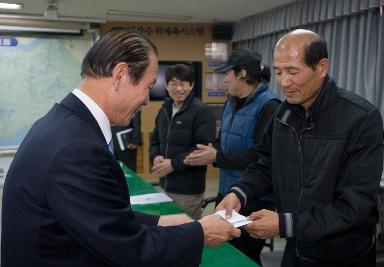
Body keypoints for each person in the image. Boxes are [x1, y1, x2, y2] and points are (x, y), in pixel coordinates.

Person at [1, 27, 240, 267]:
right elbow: (126, 249)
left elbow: (97, 215)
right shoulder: (79, 149)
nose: (147, 100)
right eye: (147, 87)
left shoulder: (62, 123)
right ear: (121, 75)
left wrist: (158, 223)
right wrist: (198, 233)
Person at [217, 29, 384, 267]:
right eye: (278, 72)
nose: (284, 82)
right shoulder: (283, 113)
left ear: (322, 67)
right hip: (295, 248)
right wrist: (239, 193)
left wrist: (285, 224)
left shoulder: (361, 118)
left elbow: (354, 206)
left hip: (342, 255)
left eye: (293, 71)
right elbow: (265, 164)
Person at [184, 48, 280, 264]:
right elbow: (222, 141)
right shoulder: (231, 101)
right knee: (222, 253)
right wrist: (210, 151)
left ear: (243, 74)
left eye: (228, 73)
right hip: (227, 193)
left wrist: (216, 157)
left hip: (254, 198)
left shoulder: (270, 106)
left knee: (243, 258)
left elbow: (260, 156)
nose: (224, 78)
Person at [149, 64, 216, 220]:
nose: (178, 89)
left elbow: (201, 150)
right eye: (174, 84)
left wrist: (172, 164)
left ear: (191, 85)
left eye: (183, 84)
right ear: (166, 85)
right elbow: (155, 139)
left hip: (188, 190)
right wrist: (156, 156)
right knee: (169, 230)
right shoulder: (164, 109)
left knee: (185, 232)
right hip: (166, 184)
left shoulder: (201, 111)